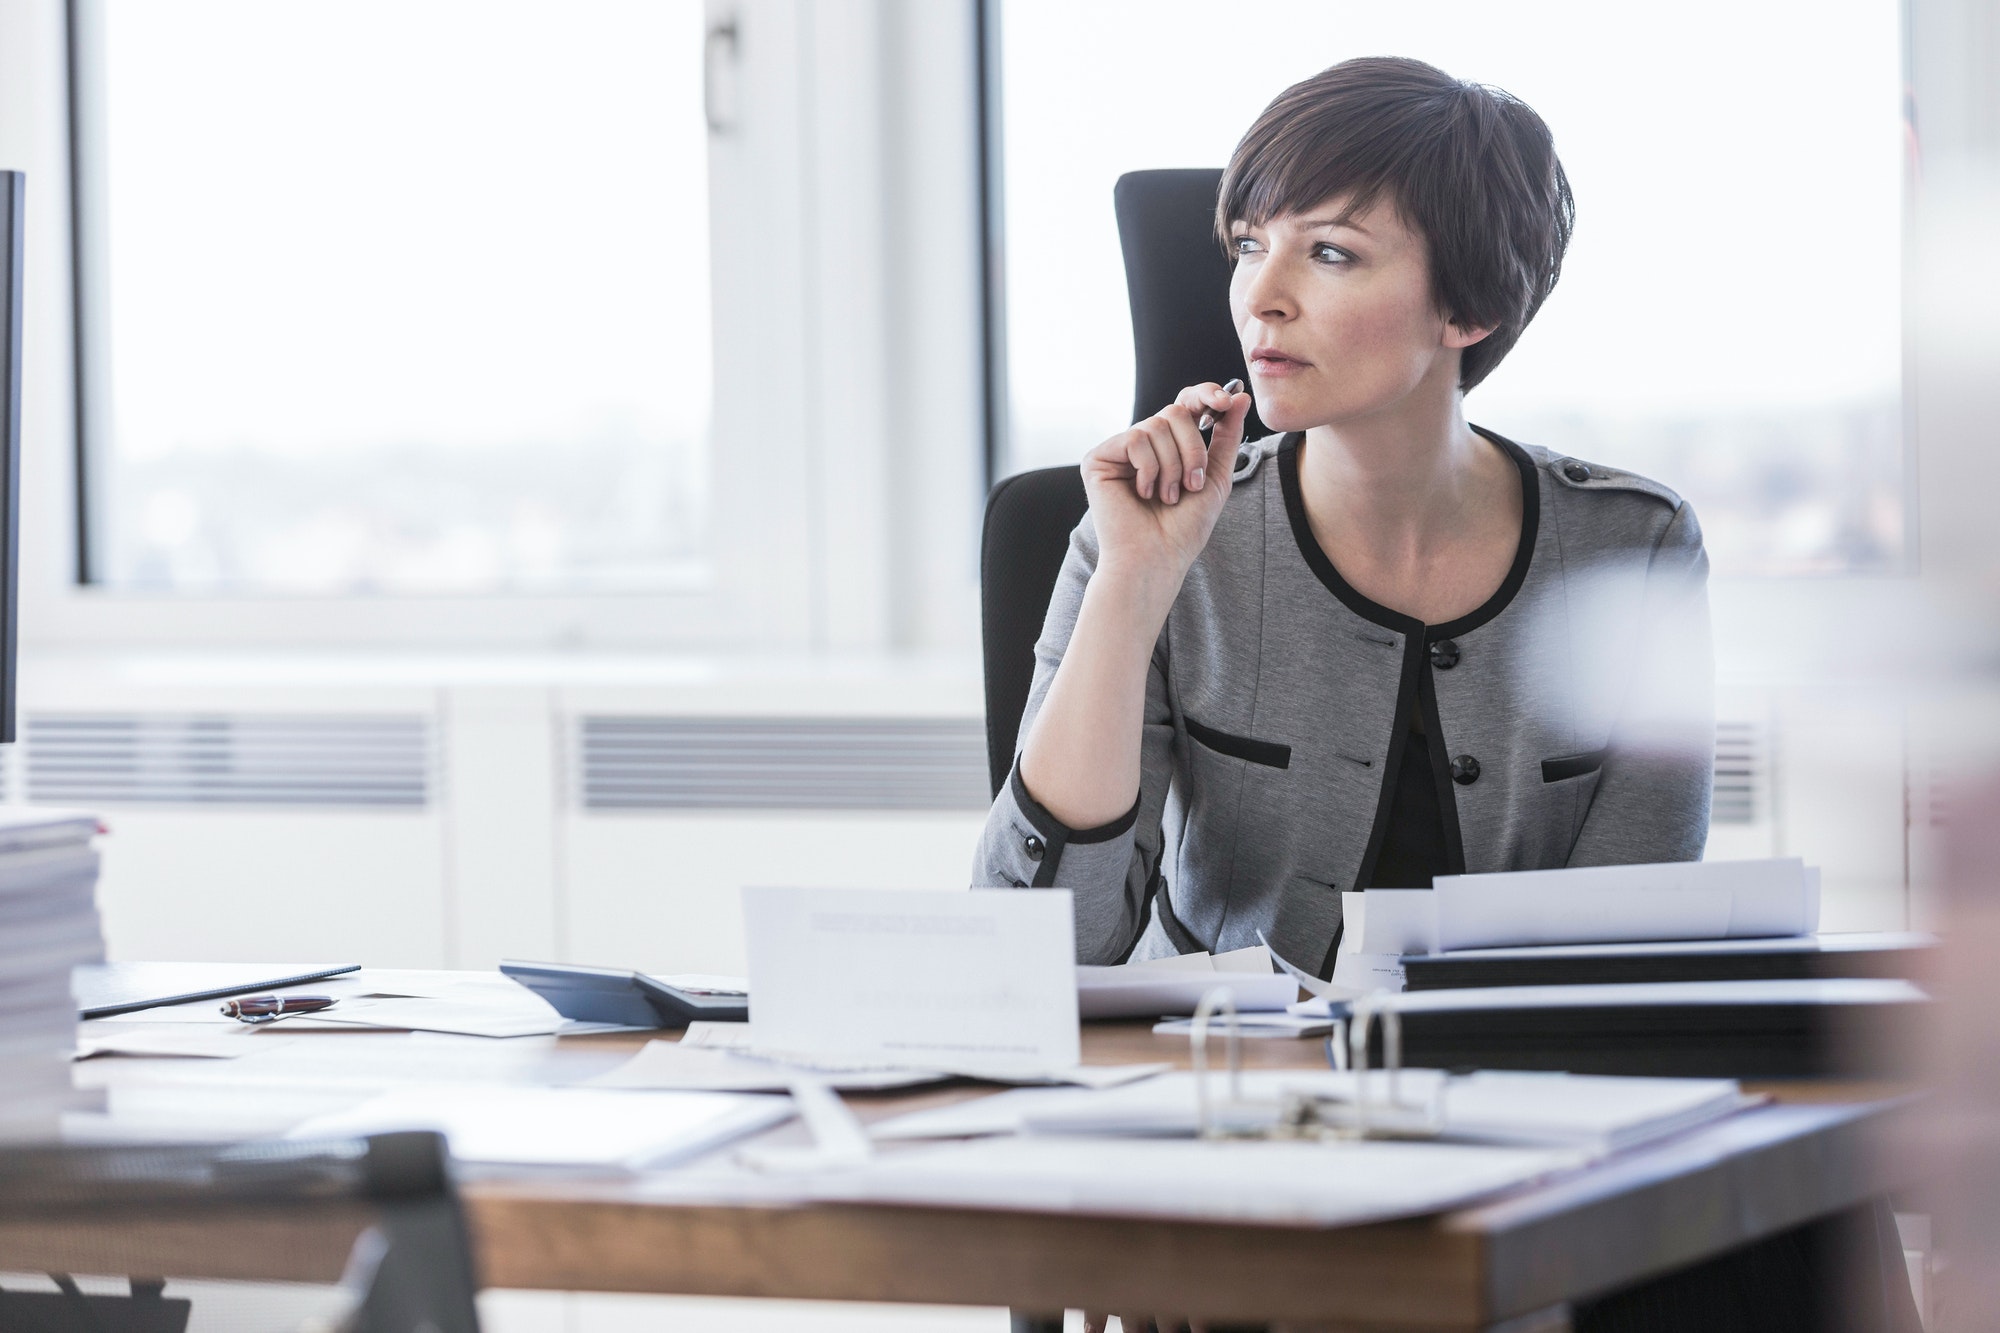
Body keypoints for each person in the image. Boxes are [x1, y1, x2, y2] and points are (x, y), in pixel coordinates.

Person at [975, 55, 1713, 976]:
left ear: (1470, 305)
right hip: (1222, 1083)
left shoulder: (1633, 548)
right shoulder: (1141, 537)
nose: (1261, 298)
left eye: (1331, 252)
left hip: (1521, 1085)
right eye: (1248, 245)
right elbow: (1039, 950)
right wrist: (1135, 581)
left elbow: (1636, 946)